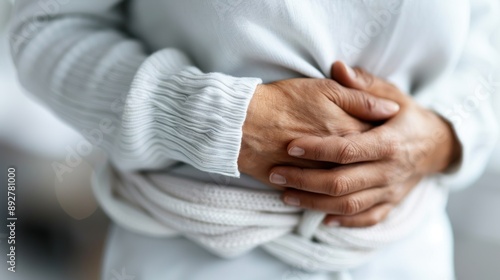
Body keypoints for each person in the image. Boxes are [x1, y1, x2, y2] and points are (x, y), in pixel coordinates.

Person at [9, 0, 499, 279]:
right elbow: (44, 26)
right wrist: (220, 121)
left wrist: (441, 134)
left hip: (408, 257)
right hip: (193, 258)